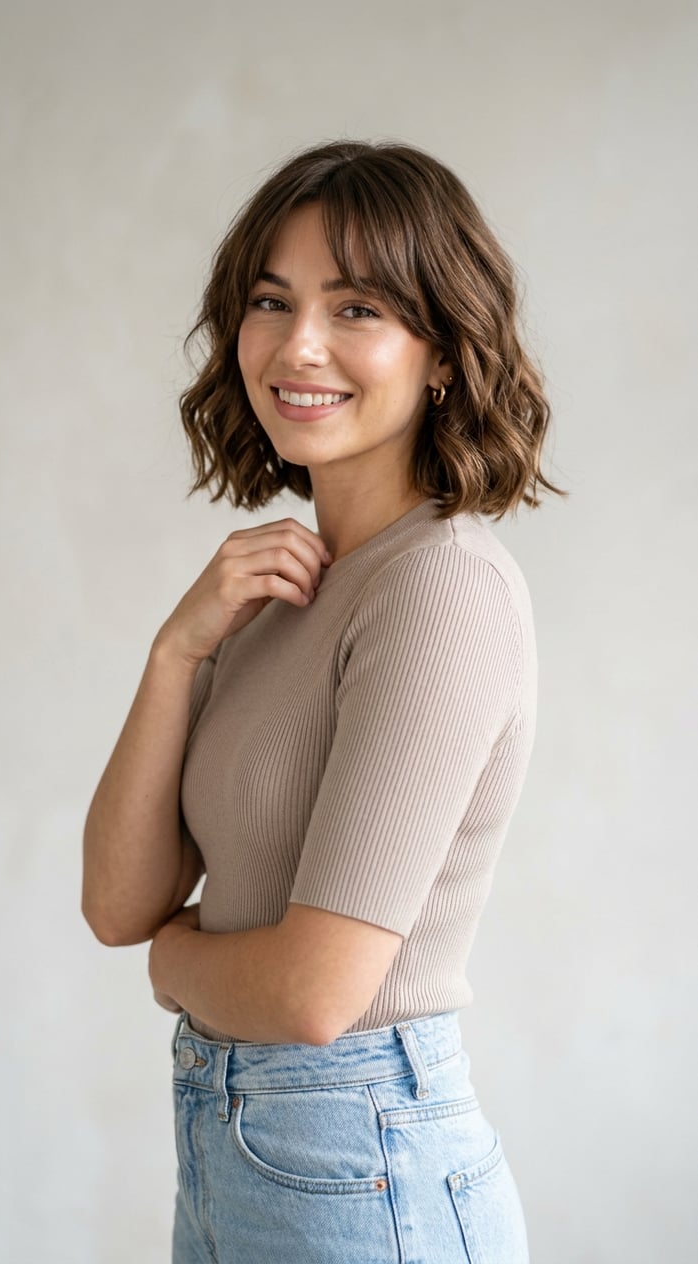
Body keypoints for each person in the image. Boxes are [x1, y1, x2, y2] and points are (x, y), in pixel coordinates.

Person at [82, 139, 566, 1263]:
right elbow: (118, 902)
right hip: (241, 1150)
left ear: (442, 351)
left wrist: (172, 962)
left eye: (358, 307)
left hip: (360, 1161)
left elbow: (312, 992)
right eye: (270, 299)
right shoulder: (282, 588)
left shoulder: (440, 583)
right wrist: (175, 654)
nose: (299, 345)